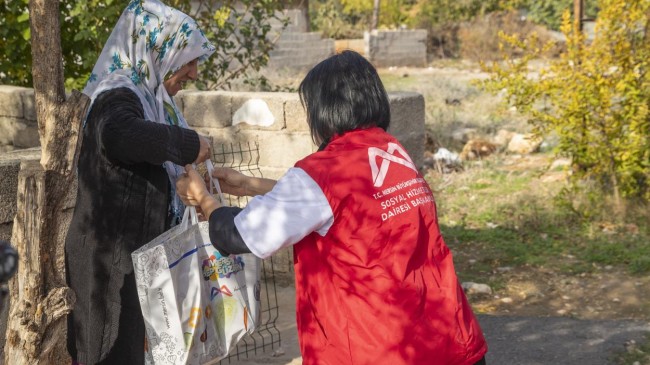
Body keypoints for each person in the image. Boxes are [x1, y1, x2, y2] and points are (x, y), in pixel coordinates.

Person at [176, 50, 488, 364]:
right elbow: (340, 209)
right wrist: (248, 185)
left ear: (325, 110)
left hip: (382, 348)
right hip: (446, 338)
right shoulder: (389, 150)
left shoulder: (324, 170)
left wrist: (205, 199)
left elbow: (239, 236)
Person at [64, 1, 216, 363]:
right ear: (157, 49)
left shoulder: (149, 99)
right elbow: (120, 136)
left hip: (134, 263)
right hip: (108, 270)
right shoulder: (116, 96)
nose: (194, 74)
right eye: (188, 60)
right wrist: (189, 145)